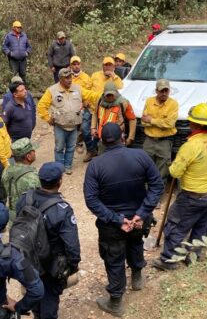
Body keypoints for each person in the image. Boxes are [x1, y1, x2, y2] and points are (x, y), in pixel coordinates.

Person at [84, 123, 164, 317]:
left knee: (114, 258)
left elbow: (91, 200)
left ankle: (115, 301)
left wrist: (117, 220)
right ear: (123, 136)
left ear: (102, 140)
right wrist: (142, 213)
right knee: (136, 243)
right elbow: (157, 185)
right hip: (138, 220)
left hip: (112, 225)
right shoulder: (141, 156)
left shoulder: (96, 165)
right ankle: (137, 277)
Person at [152, 104, 207, 271]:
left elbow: (175, 172)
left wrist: (173, 163)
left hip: (193, 195)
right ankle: (194, 256)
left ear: (195, 124)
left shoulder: (191, 146)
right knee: (201, 226)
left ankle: (169, 260)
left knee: (176, 226)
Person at [16, 162, 81, 319]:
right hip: (51, 263)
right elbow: (71, 244)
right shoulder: (62, 209)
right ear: (59, 181)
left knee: (33, 287)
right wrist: (73, 265)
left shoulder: (25, 198)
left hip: (27, 258)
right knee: (50, 298)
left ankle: (37, 314)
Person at [38, 68, 100, 174]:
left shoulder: (78, 89)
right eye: (66, 78)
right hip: (60, 126)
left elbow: (91, 95)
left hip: (74, 125)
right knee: (59, 147)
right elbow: (41, 106)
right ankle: (59, 167)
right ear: (61, 79)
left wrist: (102, 96)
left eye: (70, 77)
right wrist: (47, 118)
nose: (69, 80)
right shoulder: (52, 90)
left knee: (71, 147)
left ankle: (67, 166)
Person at [141, 79, 179, 186]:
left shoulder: (173, 104)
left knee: (162, 172)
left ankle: (157, 197)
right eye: (161, 91)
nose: (164, 93)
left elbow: (169, 124)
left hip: (165, 142)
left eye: (166, 91)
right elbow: (143, 121)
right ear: (156, 91)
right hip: (149, 140)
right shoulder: (149, 101)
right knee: (146, 168)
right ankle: (146, 193)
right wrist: (160, 123)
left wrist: (151, 120)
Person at [1, 138, 40, 225]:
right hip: (28, 219)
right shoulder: (33, 177)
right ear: (28, 157)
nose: (35, 152)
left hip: (12, 217)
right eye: (33, 151)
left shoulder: (6, 170)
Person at [91, 82, 136, 153]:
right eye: (107, 95)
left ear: (116, 92)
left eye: (112, 95)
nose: (110, 97)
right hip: (103, 139)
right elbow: (95, 114)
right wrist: (93, 128)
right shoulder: (100, 101)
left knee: (117, 161)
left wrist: (131, 137)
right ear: (104, 93)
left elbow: (132, 119)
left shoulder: (123, 103)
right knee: (102, 159)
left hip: (117, 140)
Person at [70, 56, 98, 162]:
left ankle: (90, 149)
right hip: (71, 105)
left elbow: (89, 92)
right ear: (71, 65)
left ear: (80, 65)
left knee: (86, 128)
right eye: (74, 64)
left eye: (78, 64)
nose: (76, 66)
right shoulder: (68, 77)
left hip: (84, 106)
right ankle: (76, 144)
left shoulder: (86, 77)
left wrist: (86, 101)